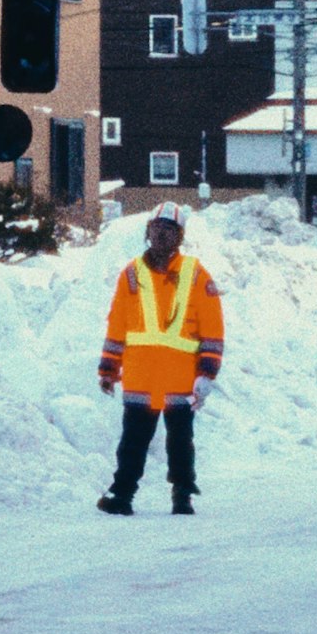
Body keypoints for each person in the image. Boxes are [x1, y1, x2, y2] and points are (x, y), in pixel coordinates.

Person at [97, 205, 227, 516]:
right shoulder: (131, 274)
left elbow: (212, 327)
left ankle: (182, 494)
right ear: (147, 231)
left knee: (181, 443)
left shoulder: (195, 274)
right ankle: (122, 495)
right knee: (132, 442)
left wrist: (207, 373)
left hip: (180, 379)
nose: (161, 233)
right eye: (156, 227)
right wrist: (108, 367)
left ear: (179, 236)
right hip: (140, 378)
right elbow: (117, 324)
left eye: (169, 228)